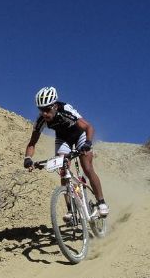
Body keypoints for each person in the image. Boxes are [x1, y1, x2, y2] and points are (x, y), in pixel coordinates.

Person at [23, 86, 109, 217]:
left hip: (80, 135)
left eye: (47, 109)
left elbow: (88, 127)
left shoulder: (65, 110)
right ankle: (71, 210)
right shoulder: (40, 120)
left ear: (55, 106)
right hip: (63, 139)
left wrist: (88, 143)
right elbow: (32, 143)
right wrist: (27, 158)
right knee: (63, 170)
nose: (44, 114)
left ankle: (101, 202)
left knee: (87, 167)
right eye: (41, 110)